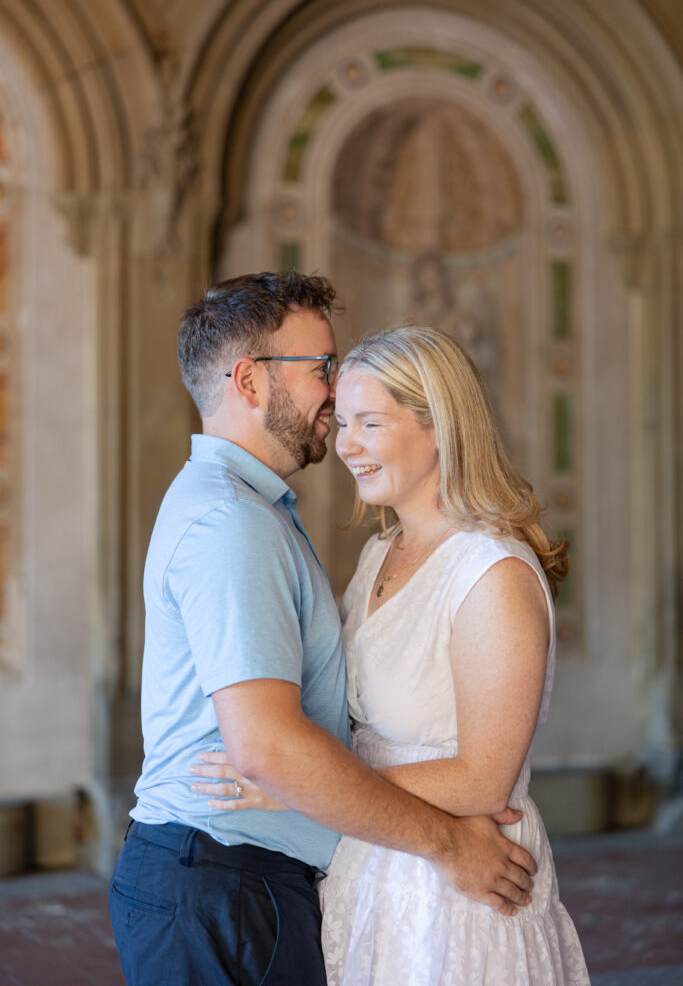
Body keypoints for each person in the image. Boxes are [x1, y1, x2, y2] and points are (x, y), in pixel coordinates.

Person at [109, 275, 538, 986]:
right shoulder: (234, 523)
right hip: (225, 883)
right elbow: (270, 751)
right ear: (249, 381)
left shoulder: (254, 511)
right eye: (321, 371)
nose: (334, 397)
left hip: (245, 880)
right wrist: (449, 846)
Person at [193, 324, 590, 985]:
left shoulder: (490, 574)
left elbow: (484, 780)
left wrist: (298, 788)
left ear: (440, 427)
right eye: (341, 421)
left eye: (369, 423)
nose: (345, 446)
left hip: (460, 895)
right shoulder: (379, 554)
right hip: (371, 866)